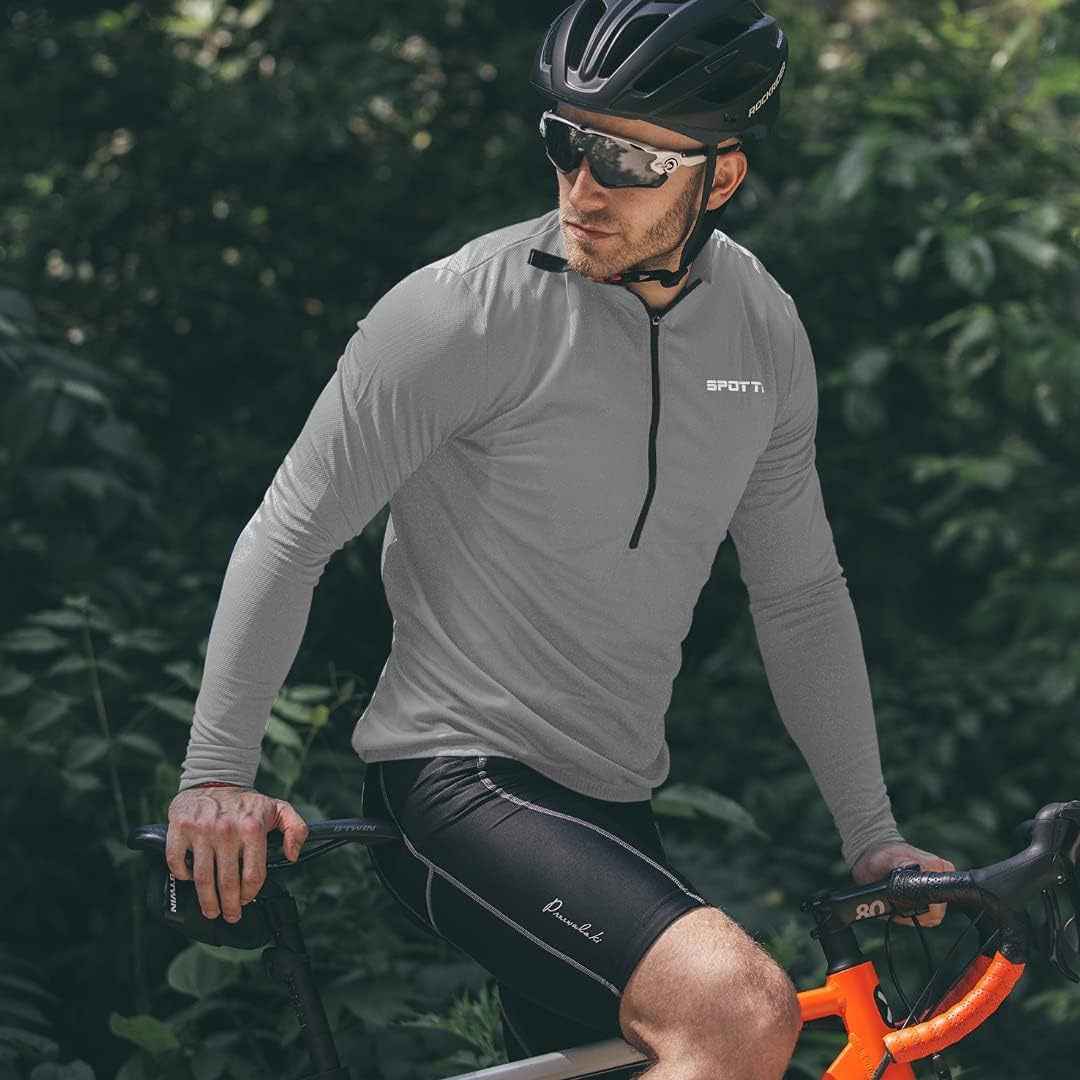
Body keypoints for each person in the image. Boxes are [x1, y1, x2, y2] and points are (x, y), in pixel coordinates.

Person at [166, 2, 955, 1077]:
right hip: (457, 778)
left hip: (616, 802)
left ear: (721, 178)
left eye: (627, 161)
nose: (583, 189)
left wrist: (872, 833)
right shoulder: (458, 315)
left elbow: (800, 592)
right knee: (736, 1011)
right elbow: (293, 531)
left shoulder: (762, 329)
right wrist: (215, 773)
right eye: (566, 143)